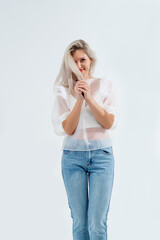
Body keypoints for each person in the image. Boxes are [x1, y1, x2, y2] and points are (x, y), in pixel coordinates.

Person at [51, 39, 118, 240]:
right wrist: (79, 99)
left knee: (97, 223)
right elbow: (68, 128)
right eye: (74, 62)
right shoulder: (63, 90)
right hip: (72, 158)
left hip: (102, 157)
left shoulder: (104, 84)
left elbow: (108, 121)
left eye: (82, 60)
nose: (79, 65)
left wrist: (89, 97)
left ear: (90, 60)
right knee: (80, 223)